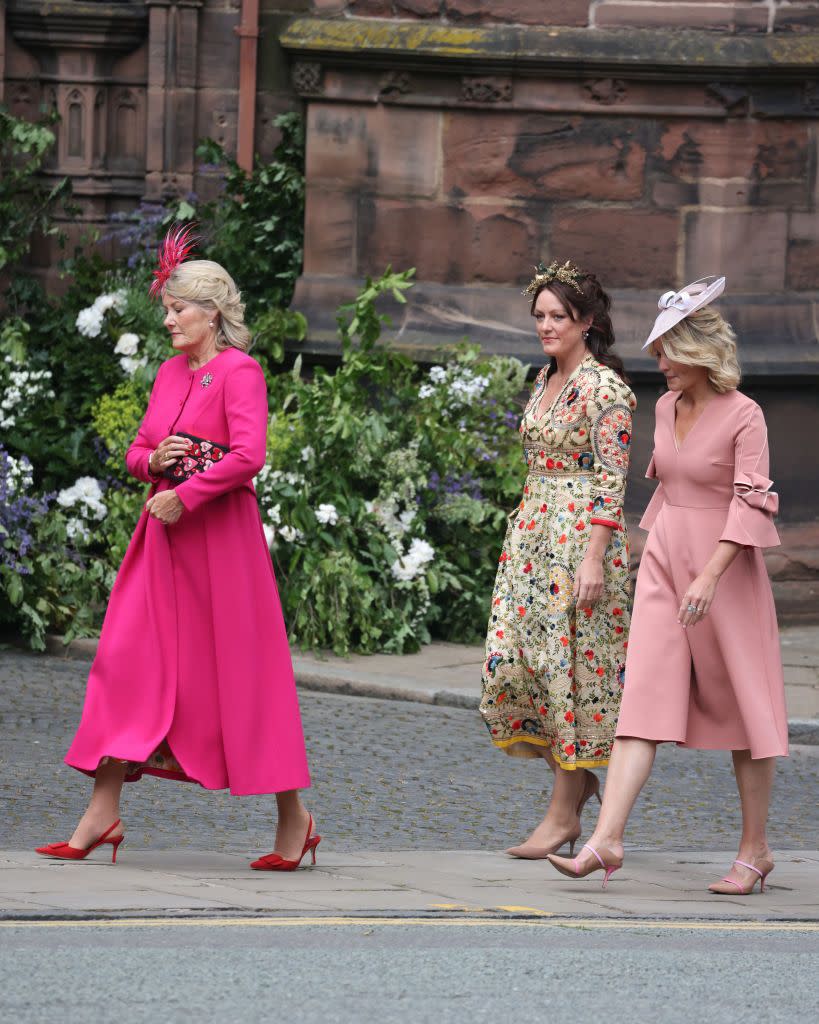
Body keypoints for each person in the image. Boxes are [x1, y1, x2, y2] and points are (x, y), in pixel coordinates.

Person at [36, 228, 318, 872]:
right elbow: (139, 447)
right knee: (128, 661)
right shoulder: (168, 373)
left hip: (221, 546)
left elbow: (250, 456)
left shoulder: (240, 371)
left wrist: (186, 494)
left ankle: (292, 817)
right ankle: (102, 811)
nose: (168, 320)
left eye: (177, 309)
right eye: (166, 309)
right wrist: (151, 463)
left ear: (211, 313)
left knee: (242, 677)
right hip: (160, 544)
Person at [548, 276, 787, 894]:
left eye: (668, 352)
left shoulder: (746, 415)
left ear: (701, 349)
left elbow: (751, 503)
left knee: (745, 710)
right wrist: (633, 548)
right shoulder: (662, 406)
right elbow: (666, 487)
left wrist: (709, 573)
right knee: (642, 702)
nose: (659, 364)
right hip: (662, 561)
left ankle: (755, 849)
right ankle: (606, 840)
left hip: (724, 574)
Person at [479, 260, 636, 859]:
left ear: (585, 321)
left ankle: (563, 814)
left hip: (579, 545)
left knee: (570, 678)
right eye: (539, 315)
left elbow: (612, 482)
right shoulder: (544, 378)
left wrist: (593, 559)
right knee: (510, 670)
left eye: (557, 317)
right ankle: (574, 790)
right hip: (532, 539)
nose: (545, 326)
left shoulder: (606, 390)